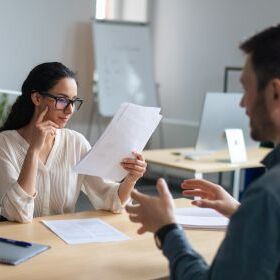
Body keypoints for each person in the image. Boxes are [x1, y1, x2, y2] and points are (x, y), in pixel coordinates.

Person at [126, 24, 280, 279]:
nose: (242, 103)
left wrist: (167, 229)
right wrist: (243, 213)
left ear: (275, 92)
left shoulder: (268, 194)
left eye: (246, 89)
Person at [0, 62, 147, 223]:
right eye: (62, 100)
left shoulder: (76, 142)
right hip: (19, 243)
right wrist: (33, 151)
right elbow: (17, 214)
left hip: (63, 242)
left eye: (74, 101)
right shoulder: (5, 143)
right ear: (37, 98)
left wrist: (131, 179)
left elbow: (110, 199)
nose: (70, 110)